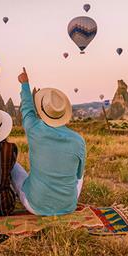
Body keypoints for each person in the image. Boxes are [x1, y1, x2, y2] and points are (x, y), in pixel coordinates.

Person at [11, 67, 86, 216]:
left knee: (13, 166)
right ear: (64, 113)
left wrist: (25, 83)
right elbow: (78, 176)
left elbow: (27, 110)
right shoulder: (78, 140)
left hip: (35, 206)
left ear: (42, 111)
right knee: (81, 174)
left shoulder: (34, 129)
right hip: (68, 206)